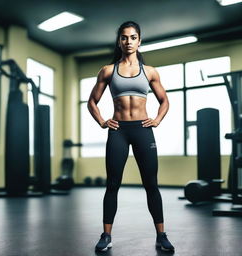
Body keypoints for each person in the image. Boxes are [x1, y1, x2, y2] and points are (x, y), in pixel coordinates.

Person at [87, 20, 174, 252]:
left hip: (143, 130)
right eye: (124, 37)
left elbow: (165, 101)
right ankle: (106, 236)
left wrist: (156, 120)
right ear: (119, 41)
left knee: (151, 185)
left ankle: (161, 235)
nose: (128, 41)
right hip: (118, 131)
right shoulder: (107, 70)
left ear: (139, 41)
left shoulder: (150, 72)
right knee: (112, 184)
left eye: (133, 37)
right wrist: (102, 121)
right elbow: (92, 101)